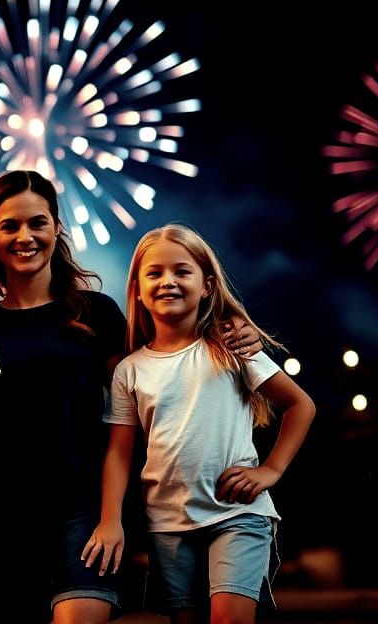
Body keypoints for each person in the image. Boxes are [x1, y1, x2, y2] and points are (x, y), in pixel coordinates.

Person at [0, 171, 264, 624]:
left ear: (57, 228)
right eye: (9, 225)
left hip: (86, 510)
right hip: (8, 517)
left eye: (38, 222)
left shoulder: (98, 315)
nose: (25, 236)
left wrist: (232, 325)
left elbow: (164, 365)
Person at [82, 223, 316, 624]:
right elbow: (119, 453)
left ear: (207, 285)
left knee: (228, 618)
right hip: (167, 523)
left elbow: (301, 405)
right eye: (154, 273)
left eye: (181, 271)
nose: (168, 281)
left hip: (237, 514)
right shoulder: (129, 371)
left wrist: (270, 470)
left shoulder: (231, 347)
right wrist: (110, 519)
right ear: (137, 288)